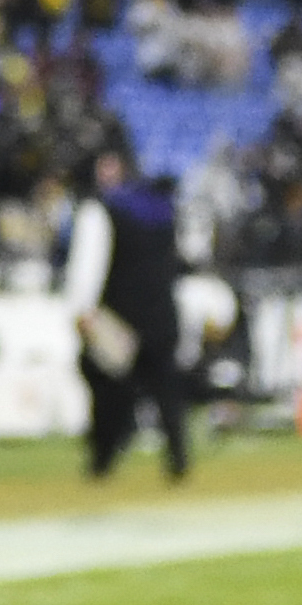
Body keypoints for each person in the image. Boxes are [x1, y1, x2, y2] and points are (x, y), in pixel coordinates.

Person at [64, 142, 194, 485]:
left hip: (120, 317)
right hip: (162, 312)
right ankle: (178, 460)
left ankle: (102, 460)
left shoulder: (101, 209)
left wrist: (82, 309)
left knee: (109, 389)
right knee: (166, 390)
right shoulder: (161, 207)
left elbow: (89, 264)